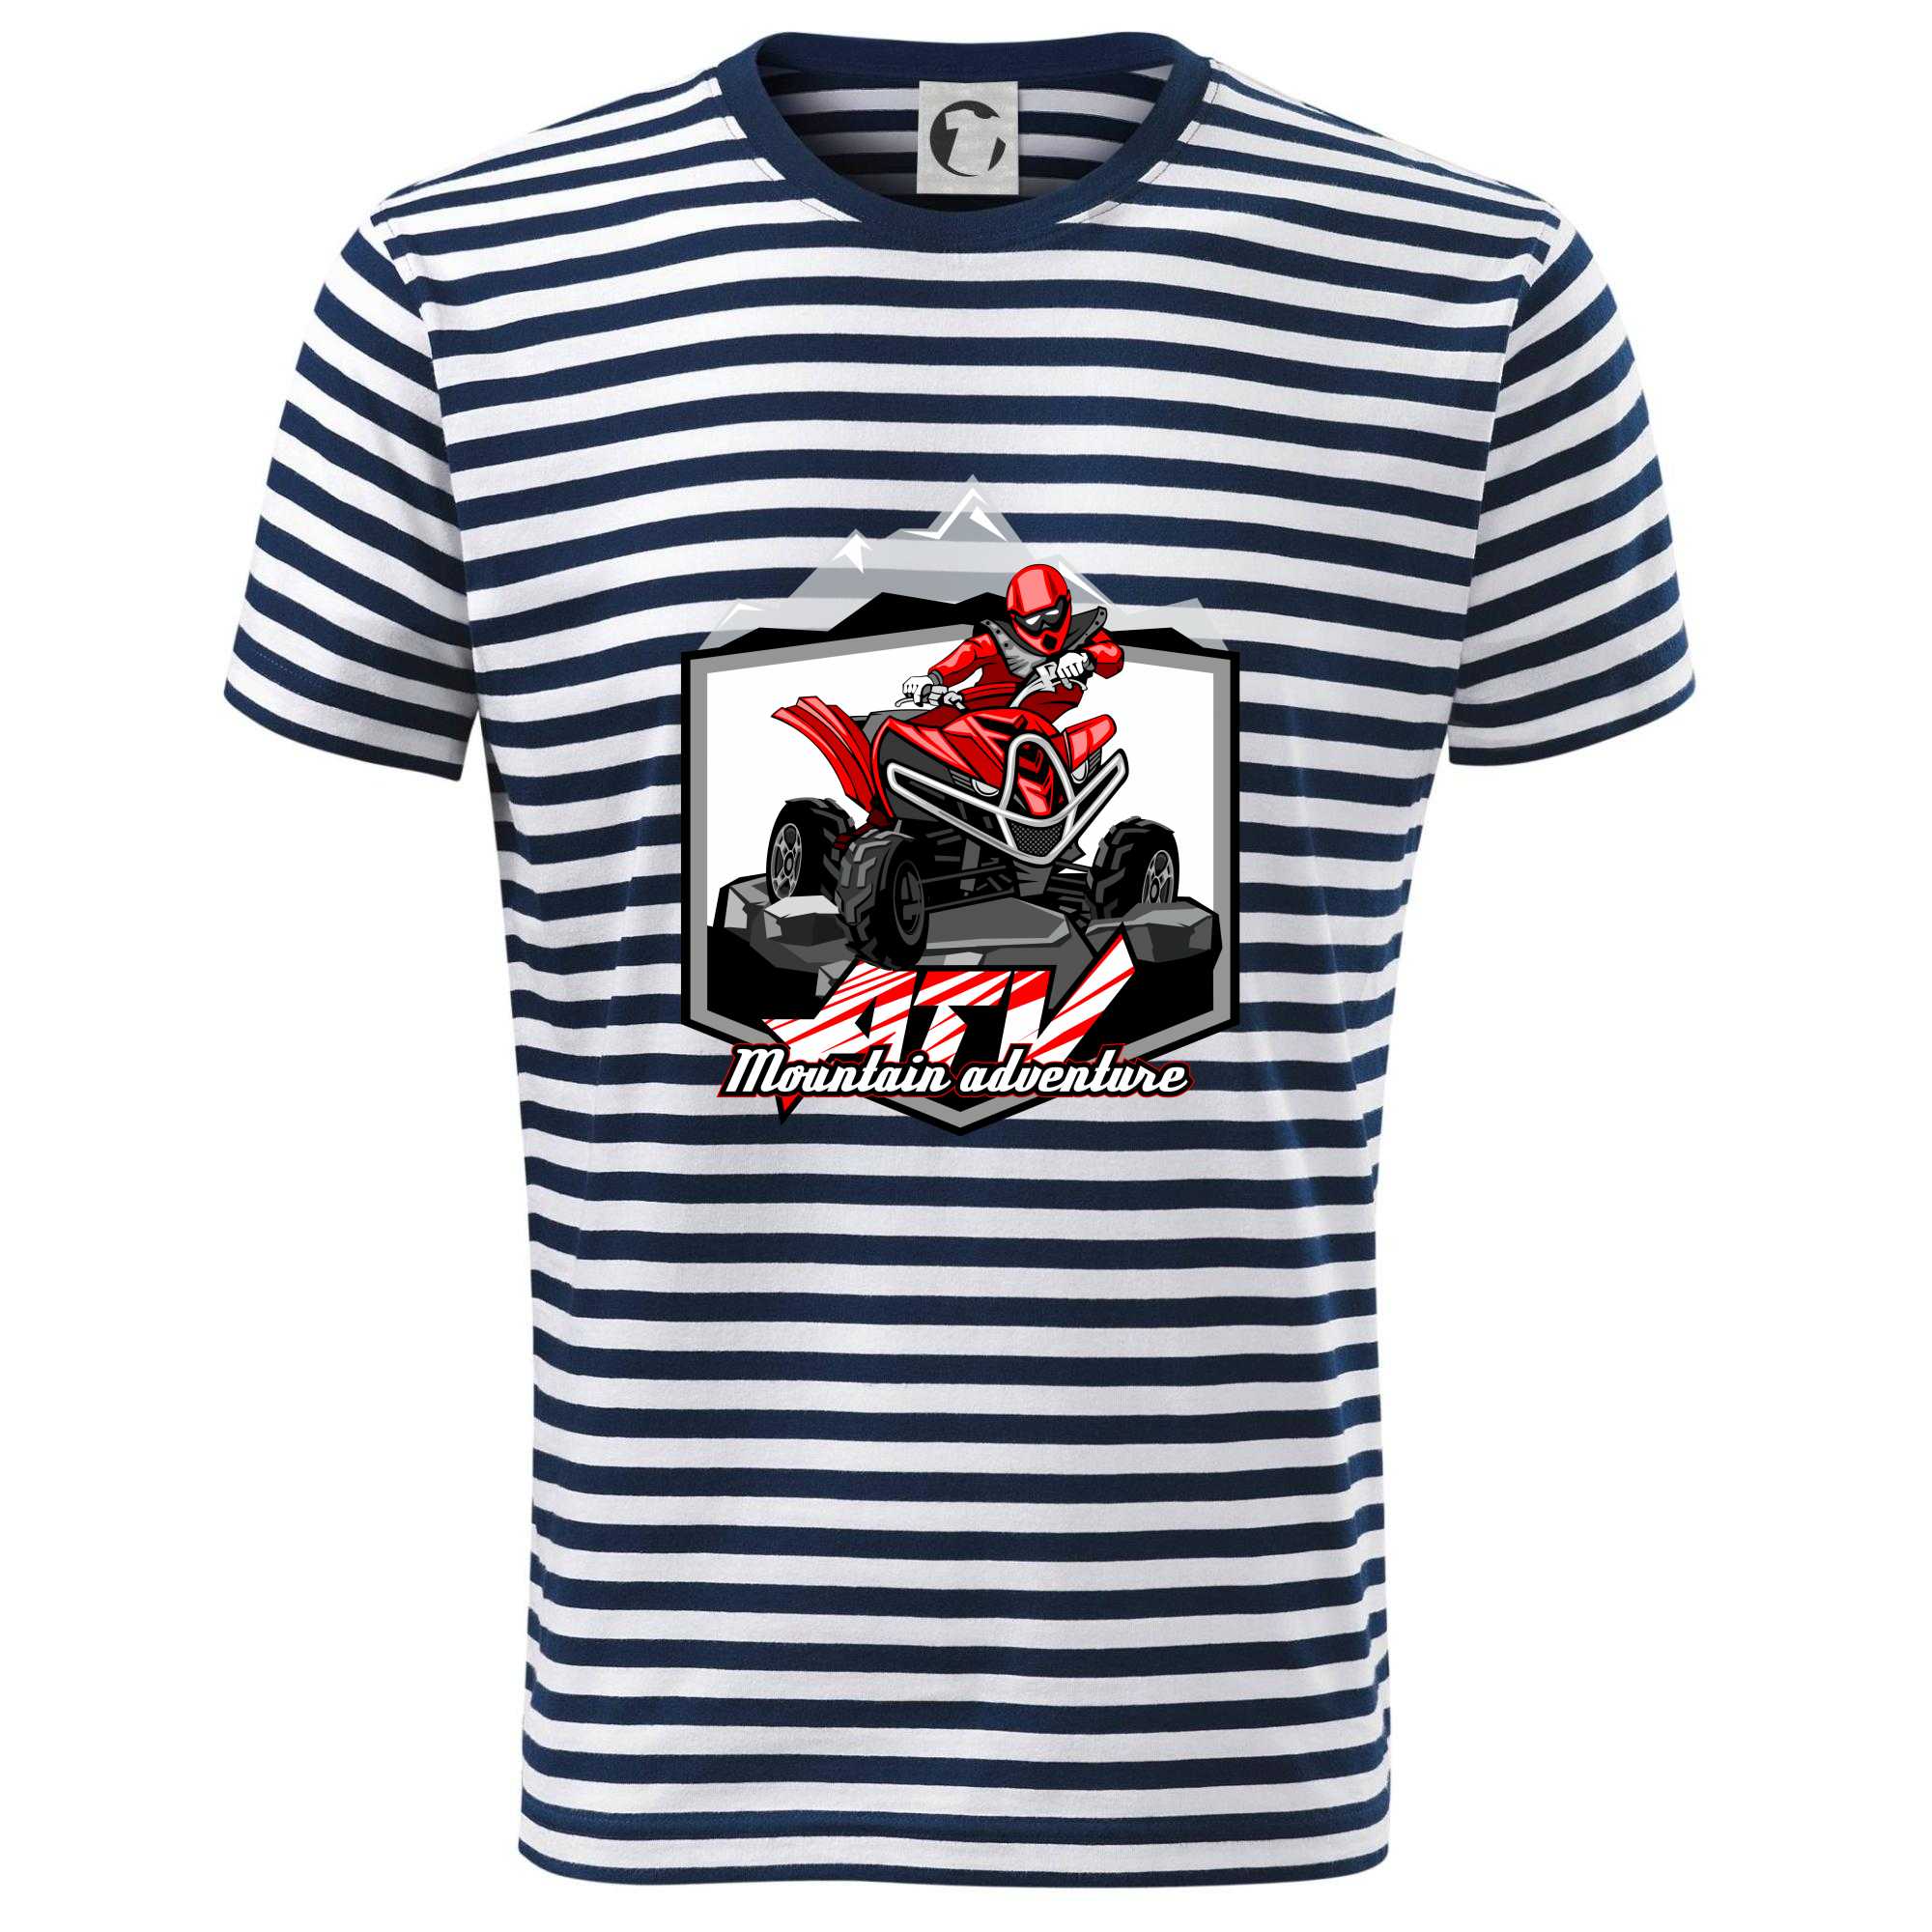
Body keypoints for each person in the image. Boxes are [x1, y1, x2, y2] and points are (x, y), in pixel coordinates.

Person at [900, 563, 1122, 718]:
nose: (1045, 627)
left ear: (1066, 603)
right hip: (980, 713)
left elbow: (1112, 655)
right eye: (1034, 620)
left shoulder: (1083, 634)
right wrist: (933, 678)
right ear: (1016, 618)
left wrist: (1085, 657)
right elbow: (970, 654)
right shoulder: (1000, 640)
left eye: (1052, 615)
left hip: (1035, 729)